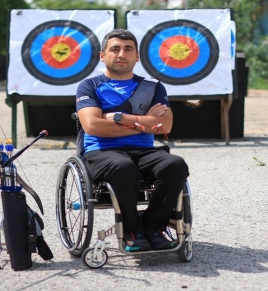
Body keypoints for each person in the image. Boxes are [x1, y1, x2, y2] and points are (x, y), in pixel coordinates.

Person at [75, 29, 189, 252]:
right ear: (102, 55)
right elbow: (93, 126)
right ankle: (132, 230)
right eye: (115, 48)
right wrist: (145, 124)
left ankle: (154, 226)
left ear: (137, 56)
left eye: (128, 49)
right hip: (101, 152)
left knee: (175, 164)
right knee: (122, 166)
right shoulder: (89, 86)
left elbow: (165, 126)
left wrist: (122, 118)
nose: (121, 54)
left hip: (143, 151)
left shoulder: (154, 88)